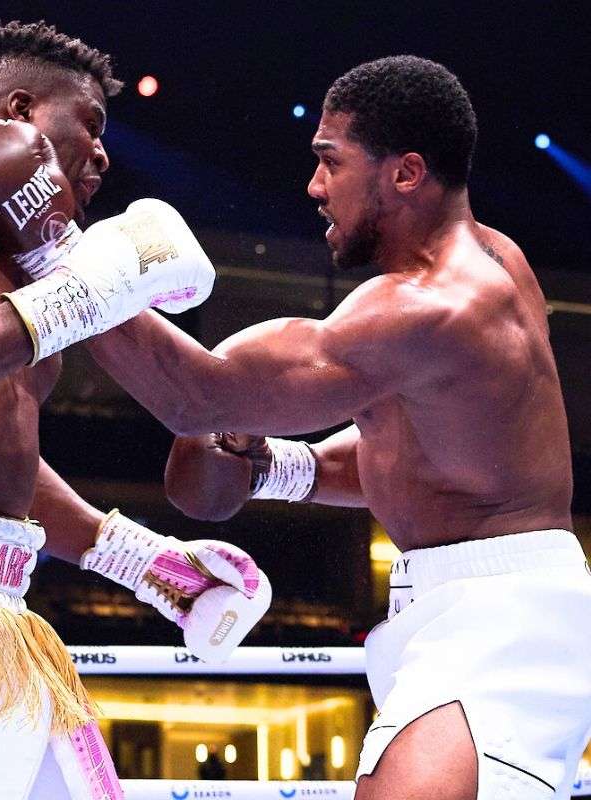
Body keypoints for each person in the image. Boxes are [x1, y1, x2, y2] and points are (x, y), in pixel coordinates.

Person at [87, 56, 591, 799]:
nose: (315, 187)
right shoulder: (494, 259)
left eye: (331, 162)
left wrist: (60, 263)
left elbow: (196, 398)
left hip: (494, 625)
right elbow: (437, 457)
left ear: (406, 173)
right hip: (485, 607)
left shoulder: (429, 308)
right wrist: (278, 466)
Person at [0, 20, 262, 800]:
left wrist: (140, 560)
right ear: (22, 111)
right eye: (89, 124)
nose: (102, 154)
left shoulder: (45, 265)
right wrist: (59, 308)